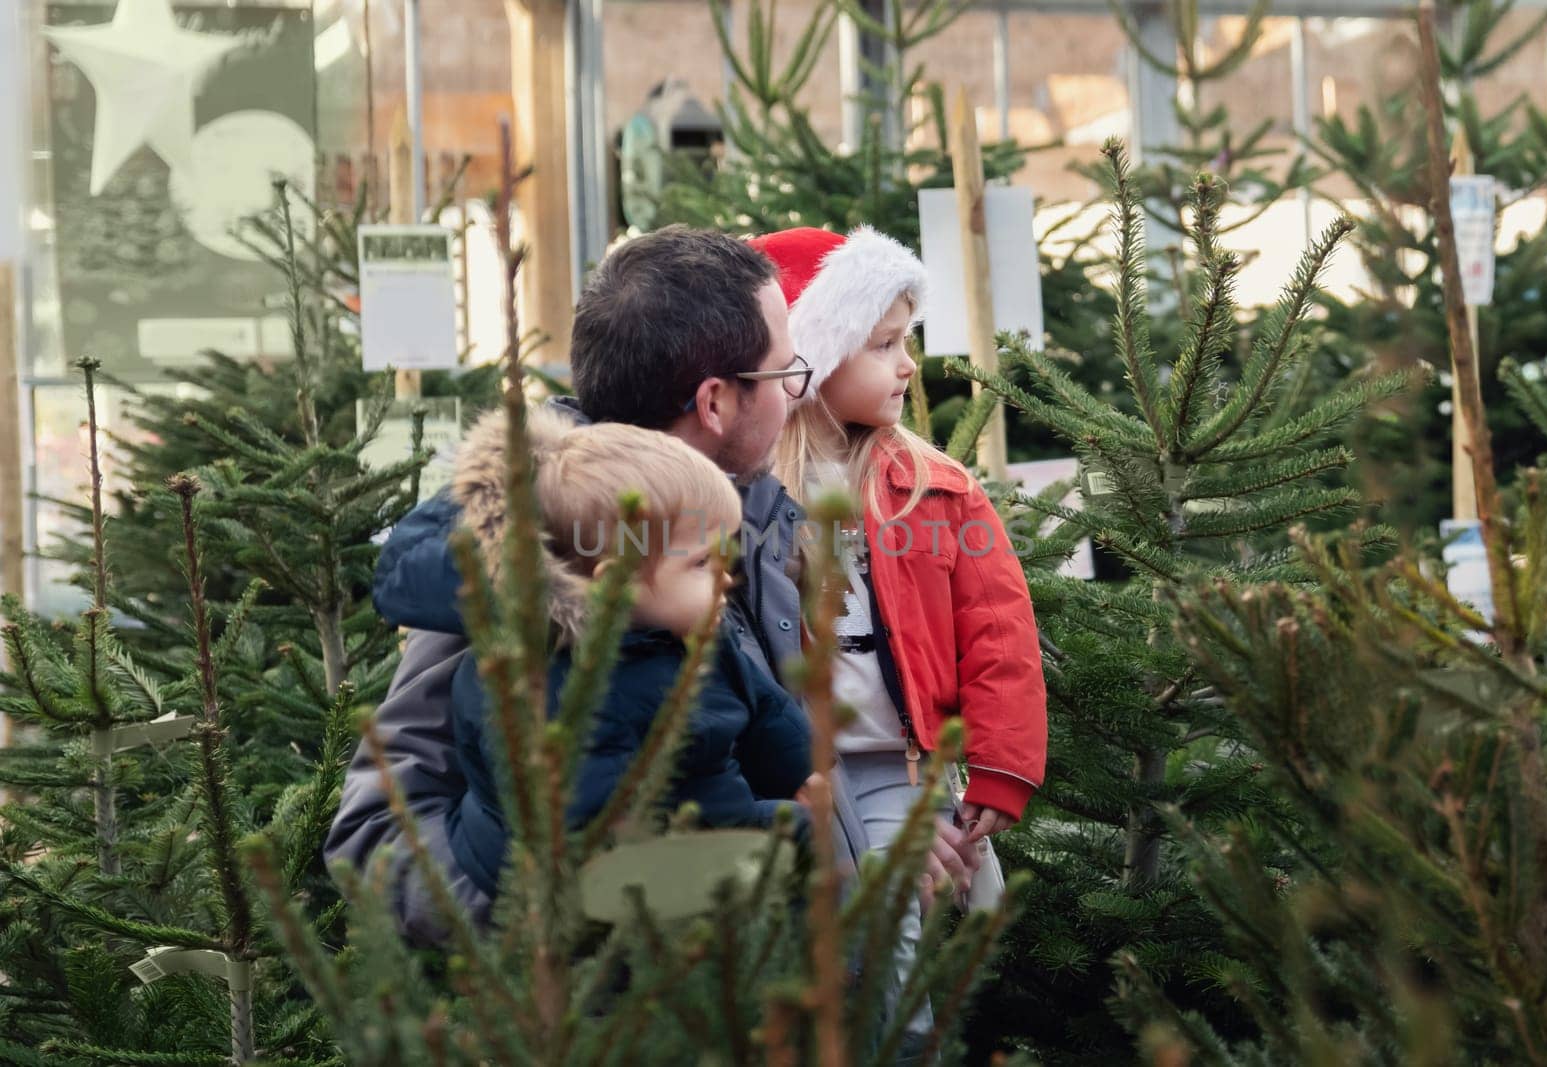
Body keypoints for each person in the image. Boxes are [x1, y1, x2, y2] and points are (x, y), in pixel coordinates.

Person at [325, 226, 978, 943]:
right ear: (714, 403)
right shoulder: (542, 546)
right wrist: (600, 924)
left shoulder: (744, 505)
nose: (798, 392)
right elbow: (375, 839)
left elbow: (768, 739)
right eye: (785, 371)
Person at [750, 226, 1048, 1052]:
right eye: (883, 344)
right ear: (816, 352)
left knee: (889, 943)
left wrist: (997, 764)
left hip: (890, 764)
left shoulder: (934, 489)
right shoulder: (749, 489)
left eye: (906, 340)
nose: (907, 364)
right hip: (783, 765)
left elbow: (998, 632)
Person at [439, 407, 815, 896]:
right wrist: (791, 826)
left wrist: (803, 766)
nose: (728, 575)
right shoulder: (575, 695)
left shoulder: (689, 633)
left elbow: (763, 708)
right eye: (703, 561)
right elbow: (654, 837)